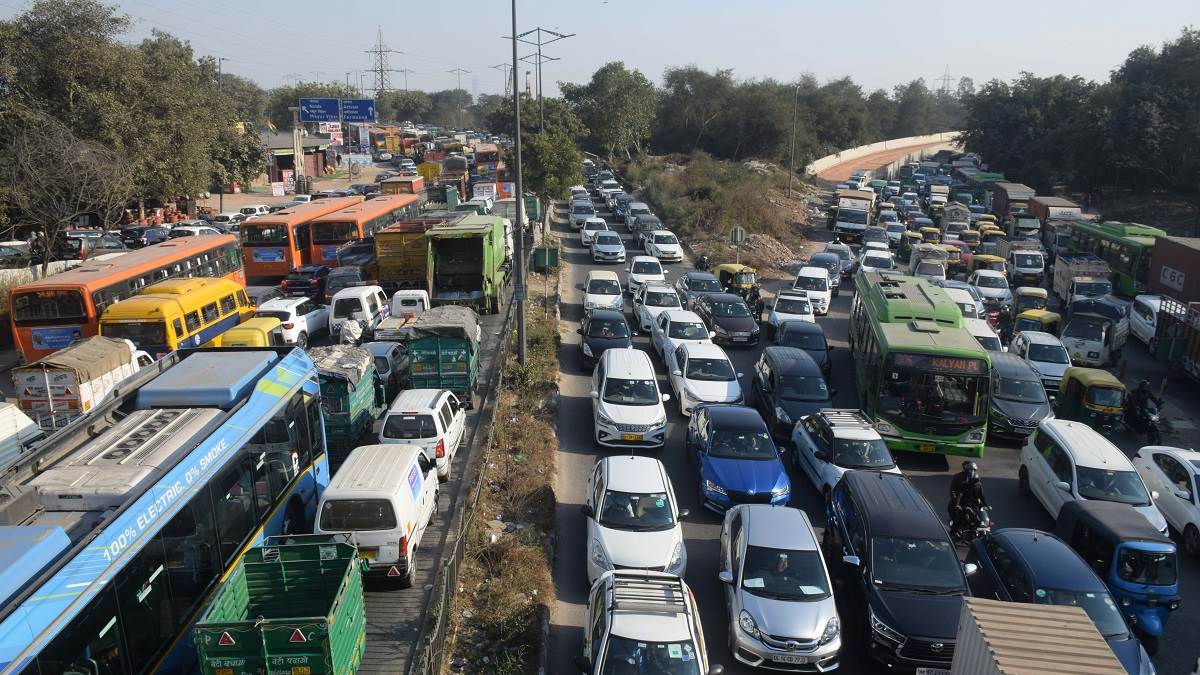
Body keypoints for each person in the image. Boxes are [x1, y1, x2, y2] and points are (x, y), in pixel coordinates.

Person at [948, 460, 988, 538]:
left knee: (981, 519)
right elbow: (955, 492)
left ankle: (979, 529)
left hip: (973, 504)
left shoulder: (977, 481)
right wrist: (956, 503)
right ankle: (953, 533)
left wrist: (985, 505)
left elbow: (981, 494)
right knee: (958, 518)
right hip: (959, 503)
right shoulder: (958, 478)